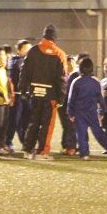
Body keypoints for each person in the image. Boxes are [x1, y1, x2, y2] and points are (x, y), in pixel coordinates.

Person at [19, 24, 67, 160]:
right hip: (51, 95)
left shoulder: (33, 51)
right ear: (55, 37)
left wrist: (23, 89)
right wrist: (61, 97)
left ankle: (27, 149)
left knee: (33, 121)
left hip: (35, 92)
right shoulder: (59, 53)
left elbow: (24, 71)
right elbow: (61, 78)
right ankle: (42, 152)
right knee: (47, 125)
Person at [66, 57, 107, 161]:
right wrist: (102, 111)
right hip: (92, 112)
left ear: (80, 68)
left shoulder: (76, 82)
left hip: (79, 113)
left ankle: (85, 154)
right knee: (98, 132)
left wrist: (70, 112)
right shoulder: (96, 82)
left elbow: (71, 99)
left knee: (81, 134)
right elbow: (101, 99)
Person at [5, 40, 31, 151]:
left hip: (27, 95)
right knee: (14, 120)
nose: (29, 51)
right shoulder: (15, 60)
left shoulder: (28, 61)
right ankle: (8, 142)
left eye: (30, 48)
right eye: (26, 48)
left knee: (26, 120)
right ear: (18, 50)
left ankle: (25, 142)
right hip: (17, 95)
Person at [59, 55, 78, 156]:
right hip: (62, 104)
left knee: (71, 125)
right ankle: (66, 145)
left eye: (72, 63)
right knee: (66, 125)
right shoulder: (61, 74)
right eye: (69, 63)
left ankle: (71, 147)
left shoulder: (77, 75)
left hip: (72, 104)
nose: (71, 65)